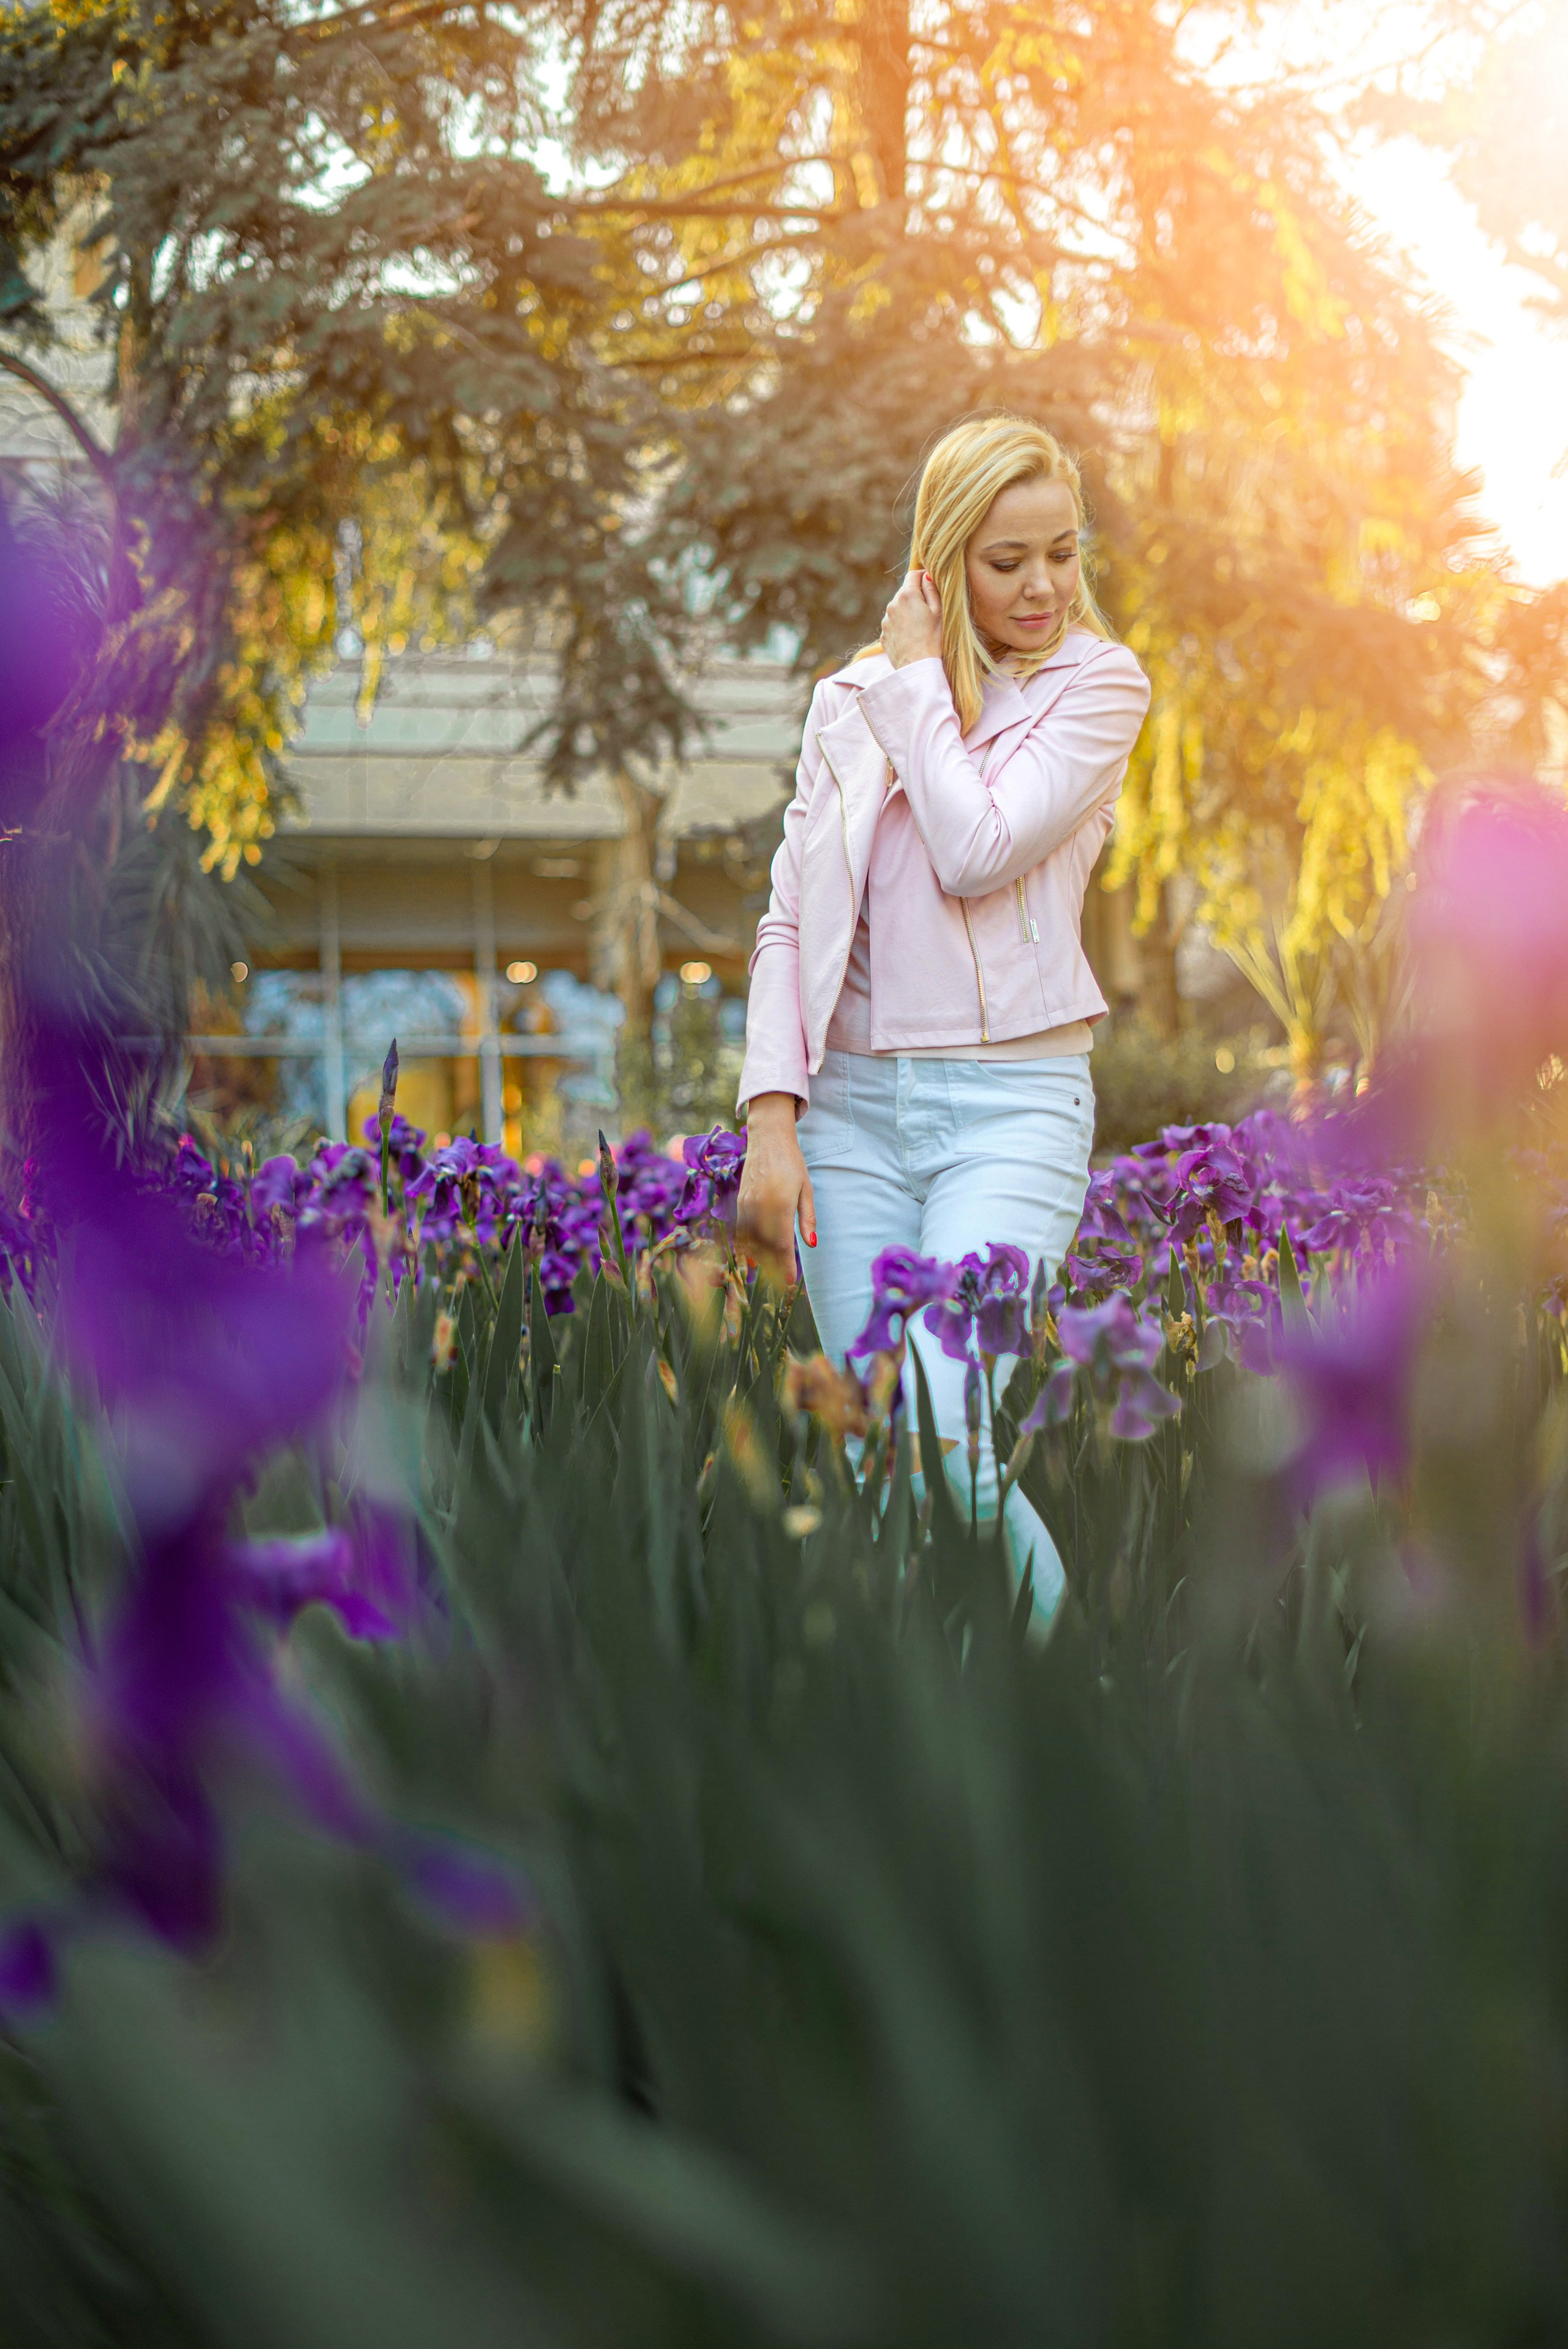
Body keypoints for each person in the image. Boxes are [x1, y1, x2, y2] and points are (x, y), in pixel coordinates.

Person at [734, 412, 1152, 1618]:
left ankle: (1065, 1704)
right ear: (944, 558)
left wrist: (916, 677)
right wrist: (773, 1121)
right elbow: (786, 926)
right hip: (848, 1123)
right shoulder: (845, 704)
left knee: (938, 1415)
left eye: (1061, 554)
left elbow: (975, 848)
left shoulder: (1094, 688)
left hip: (1009, 1111)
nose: (1041, 586)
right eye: (1005, 559)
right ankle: (959, 1740)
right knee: (878, 1437)